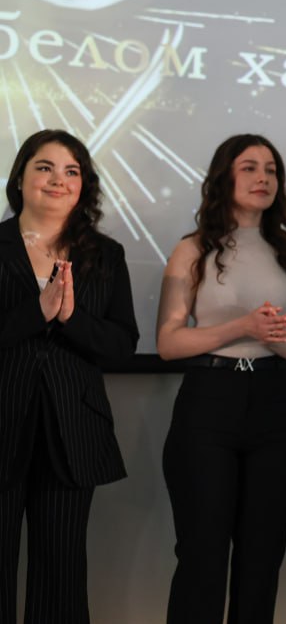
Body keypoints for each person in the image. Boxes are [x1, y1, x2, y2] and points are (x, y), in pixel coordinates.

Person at [155, 134, 286, 624]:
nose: (263, 178)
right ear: (224, 176)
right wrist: (242, 327)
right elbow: (168, 342)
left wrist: (268, 336)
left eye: (271, 169)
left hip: (272, 402)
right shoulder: (192, 249)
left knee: (262, 557)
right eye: (249, 167)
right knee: (202, 555)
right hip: (209, 401)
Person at [0, 129, 139, 624]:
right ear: (20, 178)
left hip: (71, 434)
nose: (58, 179)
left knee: (60, 577)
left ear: (83, 186)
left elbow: (122, 345)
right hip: (2, 424)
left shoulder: (105, 255)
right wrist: (35, 313)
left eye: (71, 171)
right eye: (45, 167)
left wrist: (70, 318)